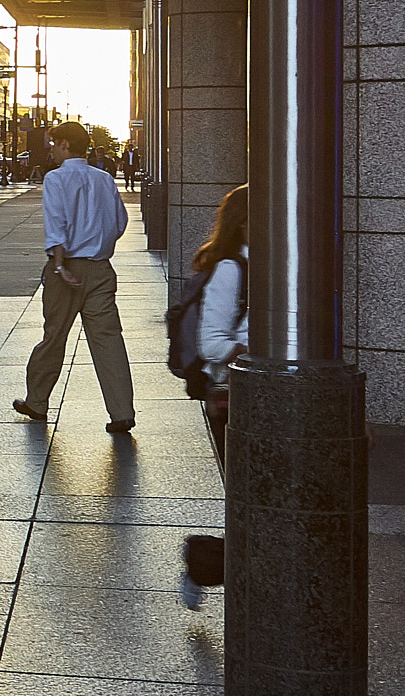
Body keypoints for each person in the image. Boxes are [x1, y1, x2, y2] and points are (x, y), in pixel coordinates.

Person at [13, 119, 135, 432]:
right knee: (108, 340)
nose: (50, 149)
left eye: (53, 143)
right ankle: (122, 412)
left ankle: (37, 402)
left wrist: (59, 266)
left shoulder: (56, 179)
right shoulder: (104, 178)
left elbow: (57, 223)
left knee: (54, 337)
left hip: (66, 268)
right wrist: (100, 245)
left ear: (66, 144)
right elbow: (119, 222)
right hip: (100, 269)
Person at [180, 183, 247, 609]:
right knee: (252, 504)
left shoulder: (276, 265)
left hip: (265, 396)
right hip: (233, 397)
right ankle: (204, 564)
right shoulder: (231, 269)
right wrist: (253, 351)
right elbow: (211, 342)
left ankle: (208, 566)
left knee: (260, 506)